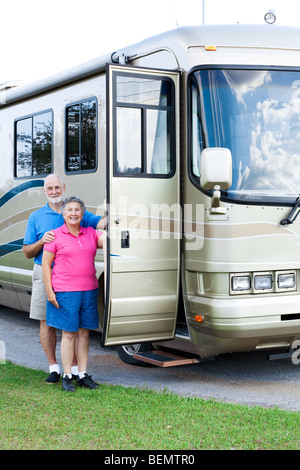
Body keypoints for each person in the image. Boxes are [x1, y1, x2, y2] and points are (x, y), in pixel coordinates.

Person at [23, 174, 105, 384]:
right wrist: (42, 241)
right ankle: (54, 368)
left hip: (76, 279)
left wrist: (117, 217)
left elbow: (101, 225)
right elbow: (27, 251)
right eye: (50, 188)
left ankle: (77, 370)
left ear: (63, 187)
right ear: (45, 190)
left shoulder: (75, 211)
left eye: (57, 187)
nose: (54, 191)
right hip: (46, 272)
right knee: (47, 321)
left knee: (77, 328)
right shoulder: (36, 217)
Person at [42, 197, 103, 392]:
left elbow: (110, 241)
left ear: (83, 214)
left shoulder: (91, 233)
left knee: (84, 333)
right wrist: (50, 291)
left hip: (89, 289)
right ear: (63, 214)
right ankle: (67, 375)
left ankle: (82, 374)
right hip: (65, 291)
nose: (74, 213)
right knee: (68, 334)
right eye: (69, 210)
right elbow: (45, 265)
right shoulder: (54, 235)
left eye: (77, 210)